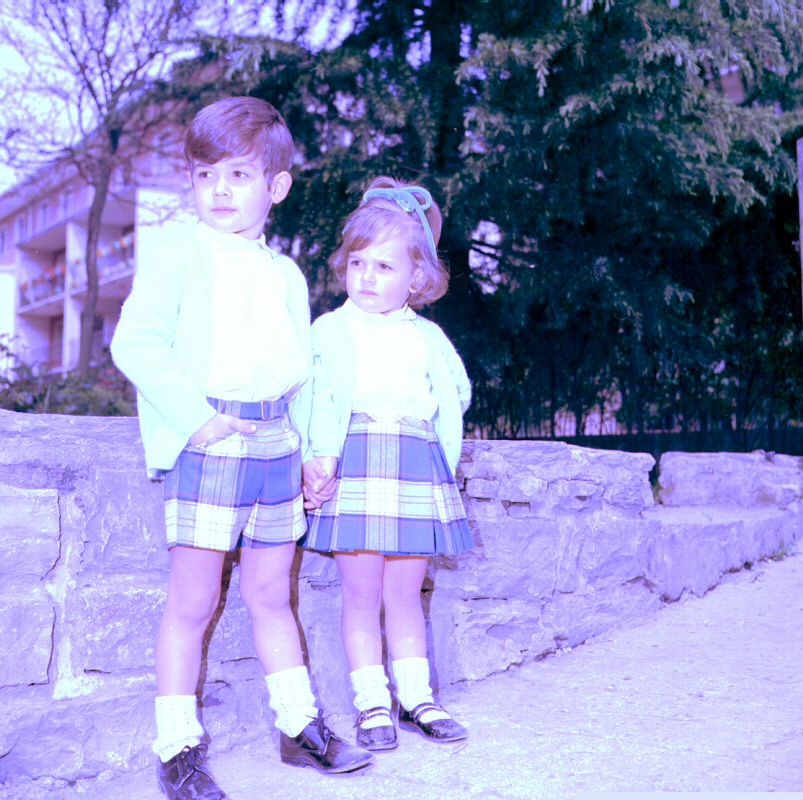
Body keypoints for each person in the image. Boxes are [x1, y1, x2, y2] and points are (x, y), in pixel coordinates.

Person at [111, 96, 372, 800]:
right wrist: (195, 420)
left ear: (276, 185)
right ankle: (177, 750)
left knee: (270, 595)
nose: (219, 190)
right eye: (204, 175)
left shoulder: (284, 274)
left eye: (238, 174)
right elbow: (136, 343)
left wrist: (314, 452)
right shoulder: (179, 254)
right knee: (192, 601)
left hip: (276, 445)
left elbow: (303, 372)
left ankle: (298, 727)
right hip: (212, 445)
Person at [301, 176, 473, 752]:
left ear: (416, 277)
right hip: (354, 467)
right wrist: (316, 457)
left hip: (413, 469)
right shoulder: (330, 330)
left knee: (404, 592)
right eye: (358, 264)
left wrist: (432, 442)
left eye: (384, 266)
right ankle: (371, 702)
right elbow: (311, 397)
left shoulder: (427, 337)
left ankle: (417, 698)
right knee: (361, 594)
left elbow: (456, 392)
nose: (367, 278)